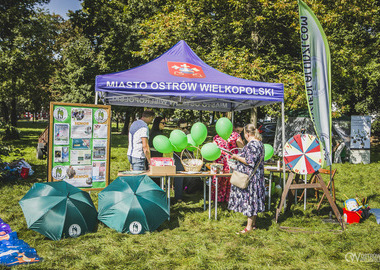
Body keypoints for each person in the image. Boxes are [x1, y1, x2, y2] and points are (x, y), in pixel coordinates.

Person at [228, 123, 265, 234]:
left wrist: (236, 157)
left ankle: (248, 227)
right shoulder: (260, 144)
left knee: (250, 201)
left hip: (251, 178)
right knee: (254, 202)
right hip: (257, 176)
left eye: (244, 134)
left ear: (248, 134)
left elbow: (250, 161)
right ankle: (252, 224)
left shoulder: (252, 145)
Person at [211, 122, 245, 202]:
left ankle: (219, 199)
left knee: (226, 179)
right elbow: (242, 148)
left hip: (226, 161)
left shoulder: (219, 137)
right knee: (227, 179)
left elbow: (241, 148)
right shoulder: (233, 136)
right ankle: (228, 199)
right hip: (226, 161)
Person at [172, 119, 189, 202]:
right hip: (178, 157)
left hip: (187, 157)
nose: (185, 130)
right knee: (179, 176)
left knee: (186, 177)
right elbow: (176, 151)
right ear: (178, 127)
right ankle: (178, 196)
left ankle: (184, 192)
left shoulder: (188, 134)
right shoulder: (175, 135)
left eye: (186, 127)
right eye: (182, 128)